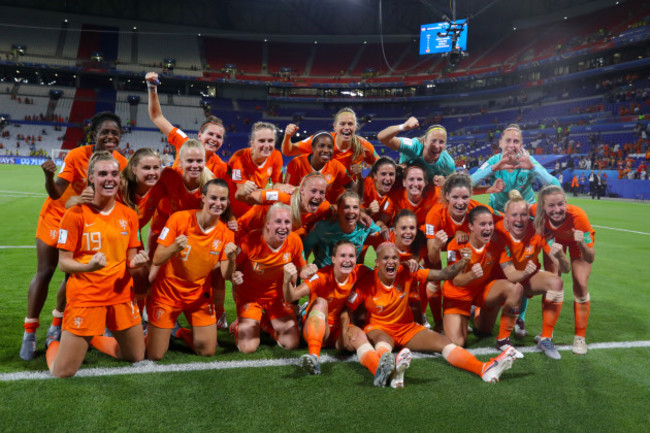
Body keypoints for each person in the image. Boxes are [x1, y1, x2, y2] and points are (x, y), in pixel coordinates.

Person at [21, 112, 128, 361]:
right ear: (94, 134)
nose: (110, 136)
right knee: (45, 271)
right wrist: (49, 178)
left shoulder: (121, 162)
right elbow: (58, 193)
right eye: (105, 132)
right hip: (56, 218)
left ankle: (55, 326)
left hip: (84, 223)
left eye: (115, 133)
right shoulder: (77, 155)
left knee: (73, 275)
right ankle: (30, 332)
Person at [347, 242, 518, 384]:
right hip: (378, 328)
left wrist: (463, 262)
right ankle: (390, 371)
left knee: (445, 342)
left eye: (394, 258)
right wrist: (348, 329)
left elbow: (442, 274)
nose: (390, 261)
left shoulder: (408, 272)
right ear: (377, 262)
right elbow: (348, 309)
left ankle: (483, 369)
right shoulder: (366, 283)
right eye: (385, 258)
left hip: (407, 328)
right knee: (382, 342)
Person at [45, 151, 149, 378]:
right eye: (102, 174)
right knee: (62, 372)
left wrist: (138, 261)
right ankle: (54, 342)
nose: (109, 179)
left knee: (135, 356)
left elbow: (131, 258)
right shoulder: (74, 215)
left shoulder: (129, 214)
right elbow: (64, 263)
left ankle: (93, 337)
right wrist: (88, 267)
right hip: (86, 296)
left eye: (114, 173)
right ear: (91, 177)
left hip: (121, 296)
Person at [146, 179, 237, 360]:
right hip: (168, 293)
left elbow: (227, 274)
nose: (218, 203)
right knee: (154, 355)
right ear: (203, 198)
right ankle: (150, 334)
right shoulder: (179, 218)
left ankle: (179, 333)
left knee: (207, 351)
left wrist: (232, 258)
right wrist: (174, 248)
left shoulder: (226, 233)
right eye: (213, 198)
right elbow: (157, 258)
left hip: (198, 296)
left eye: (223, 200)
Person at [230, 203, 318, 353]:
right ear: (268, 223)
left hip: (278, 298)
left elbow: (302, 271)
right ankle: (241, 323)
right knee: (247, 348)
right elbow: (232, 272)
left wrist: (309, 271)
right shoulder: (249, 241)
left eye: (287, 222)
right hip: (250, 298)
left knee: (291, 343)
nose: (283, 226)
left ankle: (264, 323)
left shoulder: (295, 240)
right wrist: (234, 277)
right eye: (278, 221)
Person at [282, 241, 377, 377]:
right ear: (333, 259)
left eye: (351, 256)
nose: (347, 260)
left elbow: (383, 276)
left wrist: (405, 265)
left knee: (359, 334)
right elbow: (292, 296)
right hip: (318, 326)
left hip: (338, 331)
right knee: (321, 302)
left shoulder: (361, 272)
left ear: (356, 259)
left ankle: (378, 369)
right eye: (342, 256)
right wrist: (286, 281)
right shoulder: (321, 276)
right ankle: (314, 358)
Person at [496, 190, 570, 359]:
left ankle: (545, 338)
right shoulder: (498, 229)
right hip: (501, 278)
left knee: (556, 283)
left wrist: (560, 256)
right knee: (482, 325)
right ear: (506, 217)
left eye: (524, 214)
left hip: (528, 275)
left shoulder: (538, 229)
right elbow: (510, 274)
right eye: (514, 215)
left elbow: (565, 269)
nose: (519, 219)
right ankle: (491, 325)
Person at [441, 206, 524, 355]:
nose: (488, 228)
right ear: (471, 227)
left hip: (481, 293)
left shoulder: (497, 242)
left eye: (490, 224)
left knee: (515, 288)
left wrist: (526, 273)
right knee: (458, 342)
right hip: (457, 296)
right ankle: (458, 317)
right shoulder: (455, 245)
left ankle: (503, 340)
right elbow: (455, 280)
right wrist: (472, 275)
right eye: (482, 224)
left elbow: (510, 272)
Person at [424, 173, 500, 332]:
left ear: (470, 196)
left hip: (462, 251)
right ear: (447, 196)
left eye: (465, 197)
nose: (460, 202)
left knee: (478, 270)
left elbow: (505, 222)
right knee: (434, 280)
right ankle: (438, 323)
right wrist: (437, 245)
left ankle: (475, 307)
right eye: (455, 197)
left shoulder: (479, 210)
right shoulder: (435, 214)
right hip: (440, 244)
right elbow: (432, 258)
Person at [532, 185, 595, 355]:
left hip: (577, 244)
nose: (557, 209)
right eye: (551, 206)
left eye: (560, 204)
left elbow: (590, 258)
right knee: (552, 282)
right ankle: (547, 334)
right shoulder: (536, 213)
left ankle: (580, 337)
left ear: (566, 203)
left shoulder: (578, 216)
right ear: (543, 206)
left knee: (581, 284)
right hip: (554, 244)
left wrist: (581, 243)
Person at [145, 72, 228, 178]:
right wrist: (152, 87)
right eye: (210, 134)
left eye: (218, 136)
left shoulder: (221, 167)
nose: (214, 139)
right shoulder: (183, 142)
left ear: (222, 142)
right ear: (199, 135)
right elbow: (157, 117)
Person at [470, 124, 560, 212]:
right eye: (508, 140)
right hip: (499, 211)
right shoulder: (494, 161)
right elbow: (469, 183)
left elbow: (556, 186)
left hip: (524, 212)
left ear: (521, 145)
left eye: (516, 141)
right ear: (500, 143)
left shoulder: (528, 161)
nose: (511, 145)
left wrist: (533, 168)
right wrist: (493, 168)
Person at [281, 108, 378, 180]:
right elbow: (288, 151)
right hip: (322, 196)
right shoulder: (321, 140)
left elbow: (381, 166)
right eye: (342, 124)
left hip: (346, 197)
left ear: (356, 127)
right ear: (335, 127)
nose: (346, 127)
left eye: (350, 124)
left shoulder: (364, 146)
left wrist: (366, 182)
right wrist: (287, 136)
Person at [237, 172, 332, 238]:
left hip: (269, 241)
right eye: (313, 191)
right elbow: (244, 197)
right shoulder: (281, 197)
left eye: (322, 192)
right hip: (245, 232)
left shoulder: (323, 207)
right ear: (302, 190)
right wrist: (243, 190)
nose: (317, 196)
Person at [303, 190, 382, 268]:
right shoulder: (323, 227)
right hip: (325, 275)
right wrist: (304, 270)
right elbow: (304, 249)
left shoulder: (365, 224)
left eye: (355, 207)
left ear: (359, 210)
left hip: (349, 275)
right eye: (346, 207)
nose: (351, 211)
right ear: (339, 210)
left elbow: (383, 235)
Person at [229, 121, 293, 217]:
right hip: (233, 208)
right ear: (252, 143)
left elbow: (276, 184)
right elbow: (240, 193)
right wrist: (271, 196)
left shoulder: (276, 155)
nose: (267, 146)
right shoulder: (239, 158)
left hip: (254, 206)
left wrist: (286, 188)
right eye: (262, 141)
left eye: (270, 141)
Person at [284, 130, 355, 204]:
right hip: (302, 209)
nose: (326, 150)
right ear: (312, 148)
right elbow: (288, 193)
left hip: (328, 211)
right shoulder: (297, 164)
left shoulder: (336, 166)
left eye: (330, 147)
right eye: (321, 146)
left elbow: (354, 188)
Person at [377, 118, 455, 183]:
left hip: (426, 191)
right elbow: (382, 137)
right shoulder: (413, 146)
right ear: (425, 141)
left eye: (441, 142)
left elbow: (454, 181)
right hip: (404, 184)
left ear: (445, 145)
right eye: (433, 141)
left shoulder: (448, 163)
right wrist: (403, 126)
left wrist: (444, 181)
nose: (437, 146)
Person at [388, 161, 440, 227]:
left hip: (425, 234)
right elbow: (381, 222)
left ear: (426, 182)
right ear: (404, 182)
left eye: (419, 179)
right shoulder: (395, 196)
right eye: (411, 179)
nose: (415, 184)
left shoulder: (436, 193)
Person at [362, 157, 397, 226]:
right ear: (375, 175)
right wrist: (368, 210)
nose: (388, 179)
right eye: (383, 174)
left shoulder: (396, 190)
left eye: (391, 174)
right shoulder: (364, 184)